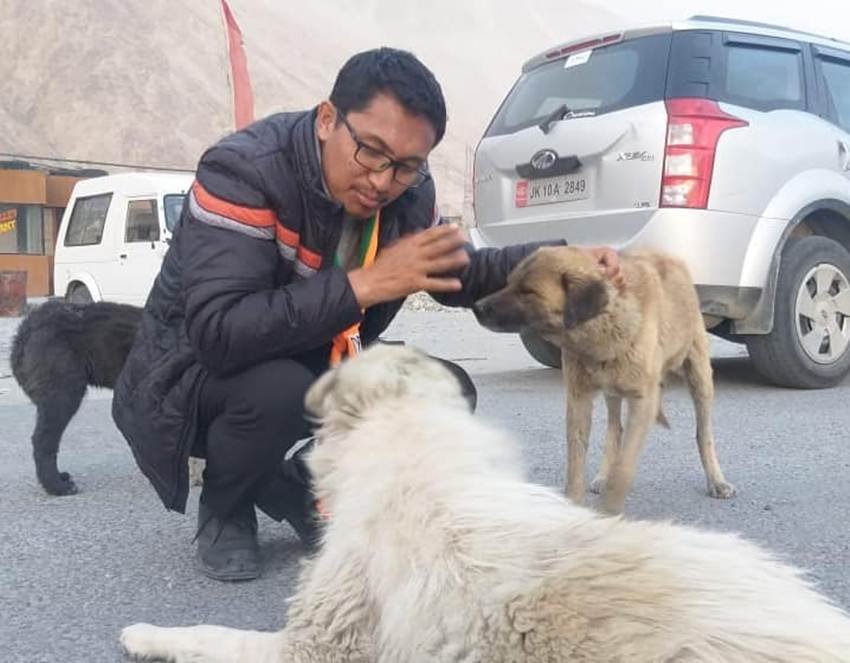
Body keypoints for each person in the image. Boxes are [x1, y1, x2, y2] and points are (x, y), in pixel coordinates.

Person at [112, 47, 620, 581]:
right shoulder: (244, 171)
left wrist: (562, 258)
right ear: (328, 118)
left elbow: (459, 272)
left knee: (442, 389)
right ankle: (225, 504)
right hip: (192, 380)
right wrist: (367, 283)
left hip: (314, 353)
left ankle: (300, 486)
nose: (382, 181)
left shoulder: (408, 195)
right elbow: (220, 332)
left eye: (405, 166)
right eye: (371, 153)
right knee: (279, 391)